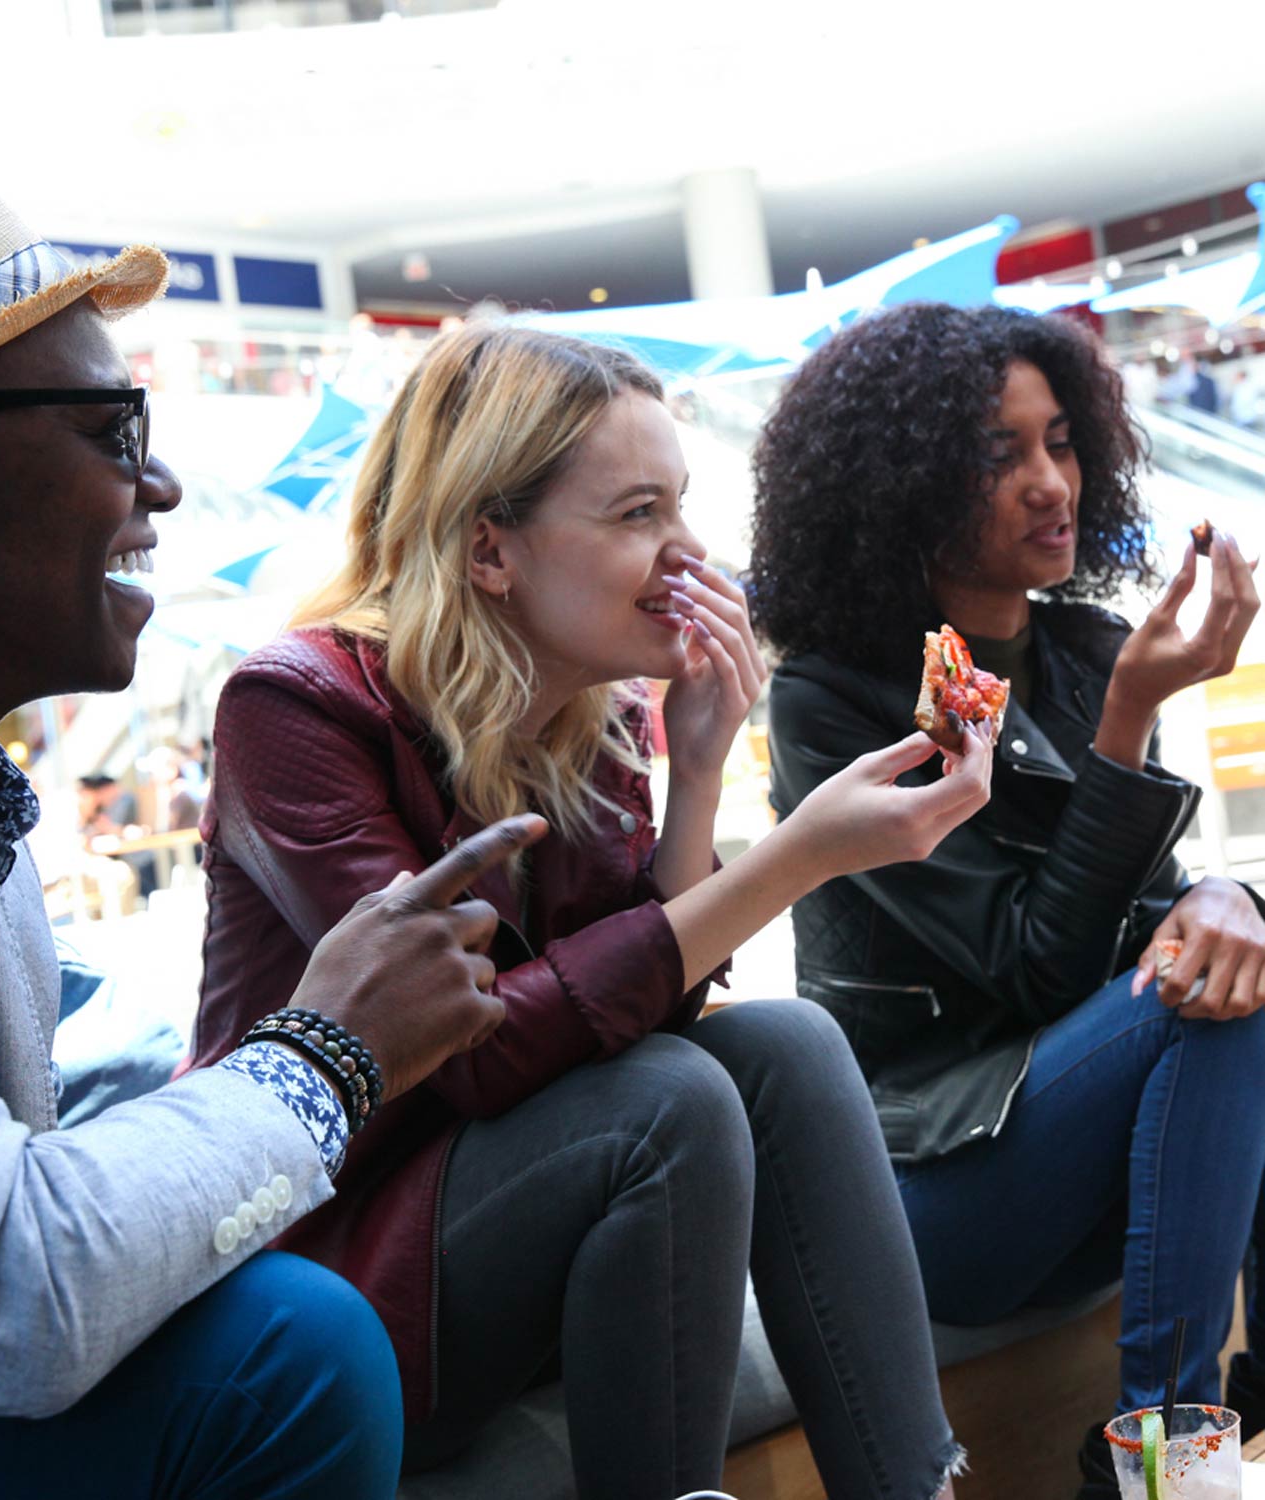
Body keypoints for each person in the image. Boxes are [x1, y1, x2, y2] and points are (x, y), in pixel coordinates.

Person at [0, 137, 544, 1499]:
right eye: (109, 429)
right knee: (285, 1352)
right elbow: (5, 1287)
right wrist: (325, 1055)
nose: (160, 485)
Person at [187, 322, 996, 1500]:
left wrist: (703, 773)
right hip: (338, 1273)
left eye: (680, 505)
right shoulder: (293, 711)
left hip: (542, 1229)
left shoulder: (599, 711)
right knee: (660, 1103)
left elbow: (639, 1023)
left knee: (785, 1043)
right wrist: (788, 862)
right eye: (637, 515)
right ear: (489, 550)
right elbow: (469, 1056)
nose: (691, 553)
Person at [749, 301, 1265, 1499]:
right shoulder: (837, 700)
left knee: (1237, 974)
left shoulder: (1084, 647)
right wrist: (1128, 725)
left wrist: (1234, 891)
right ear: (905, 485)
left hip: (1098, 1146)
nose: (1051, 482)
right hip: (938, 1185)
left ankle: (1189, 1454)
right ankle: (1173, 1464)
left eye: (1061, 442)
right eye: (999, 455)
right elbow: (1033, 964)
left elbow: (1159, 917)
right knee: (1212, 1000)